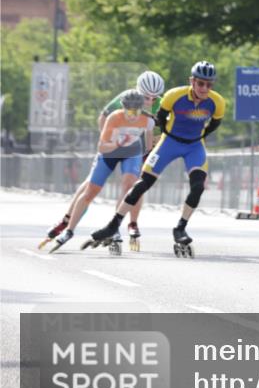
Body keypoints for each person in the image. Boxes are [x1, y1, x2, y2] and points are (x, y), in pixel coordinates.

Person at [86, 61, 225, 257]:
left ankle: (180, 228)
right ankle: (113, 225)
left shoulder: (217, 102)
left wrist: (198, 136)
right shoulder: (173, 96)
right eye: (200, 83)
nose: (204, 88)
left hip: (194, 146)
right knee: (143, 183)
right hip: (169, 143)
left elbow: (214, 125)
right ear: (192, 81)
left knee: (198, 186)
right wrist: (164, 137)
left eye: (209, 85)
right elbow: (160, 119)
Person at [40, 71, 165, 249]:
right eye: (146, 97)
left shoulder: (161, 104)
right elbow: (103, 117)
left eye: (155, 97)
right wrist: (110, 140)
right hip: (113, 145)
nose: (150, 101)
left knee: (132, 184)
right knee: (91, 185)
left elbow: (162, 131)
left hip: (134, 147)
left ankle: (120, 225)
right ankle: (66, 220)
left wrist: (153, 144)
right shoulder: (126, 99)